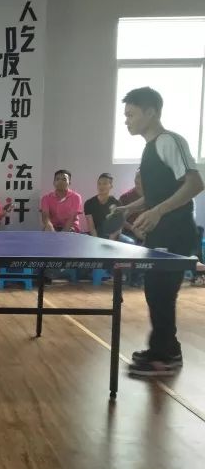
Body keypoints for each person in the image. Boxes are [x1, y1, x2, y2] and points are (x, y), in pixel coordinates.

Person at [118, 86, 204, 376]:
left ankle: (165, 357)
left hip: (176, 232)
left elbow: (195, 184)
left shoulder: (169, 141)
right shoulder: (150, 148)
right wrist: (130, 208)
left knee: (162, 293)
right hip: (161, 233)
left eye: (131, 114)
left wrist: (157, 212)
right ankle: (165, 349)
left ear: (151, 112)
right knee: (155, 291)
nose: (126, 121)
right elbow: (157, 195)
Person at [84, 173, 120, 239]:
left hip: (111, 235)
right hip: (95, 234)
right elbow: (91, 227)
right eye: (99, 184)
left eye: (105, 184)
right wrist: (96, 240)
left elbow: (117, 226)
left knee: (129, 242)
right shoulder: (89, 203)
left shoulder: (117, 203)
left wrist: (110, 240)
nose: (101, 186)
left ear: (111, 186)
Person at [119, 170, 145, 243]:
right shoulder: (125, 197)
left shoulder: (153, 196)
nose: (137, 180)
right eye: (137, 177)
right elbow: (120, 220)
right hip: (129, 233)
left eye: (141, 177)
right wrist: (133, 229)